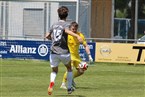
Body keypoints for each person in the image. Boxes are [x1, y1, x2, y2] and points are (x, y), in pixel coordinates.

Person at [45, 6, 83, 95]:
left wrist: (53, 40)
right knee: (69, 68)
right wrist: (77, 36)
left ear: (58, 15)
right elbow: (66, 31)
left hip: (53, 52)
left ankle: (51, 84)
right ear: (66, 15)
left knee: (54, 71)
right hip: (64, 52)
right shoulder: (66, 24)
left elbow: (47, 35)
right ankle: (69, 88)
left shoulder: (54, 24)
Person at [60, 22, 93, 89]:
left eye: (75, 29)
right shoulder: (67, 35)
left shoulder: (80, 35)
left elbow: (85, 46)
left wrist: (89, 55)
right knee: (70, 69)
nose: (74, 30)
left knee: (81, 71)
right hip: (69, 55)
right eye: (73, 29)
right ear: (70, 28)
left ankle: (71, 78)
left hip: (76, 56)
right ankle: (63, 84)